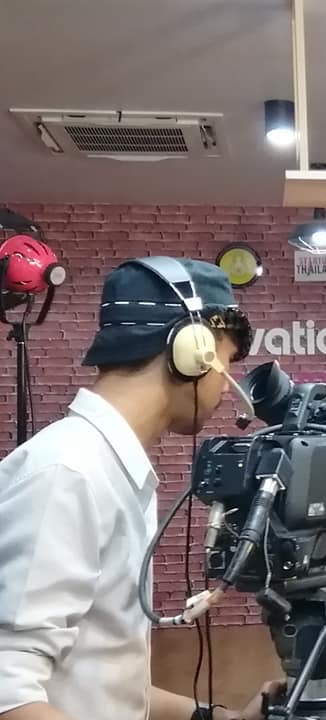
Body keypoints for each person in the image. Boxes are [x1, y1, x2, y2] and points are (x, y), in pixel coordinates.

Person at [0, 257, 279, 720]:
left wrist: (221, 718)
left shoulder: (106, 468)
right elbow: (9, 694)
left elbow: (106, 685)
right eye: (227, 361)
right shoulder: (69, 473)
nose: (226, 388)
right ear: (193, 355)